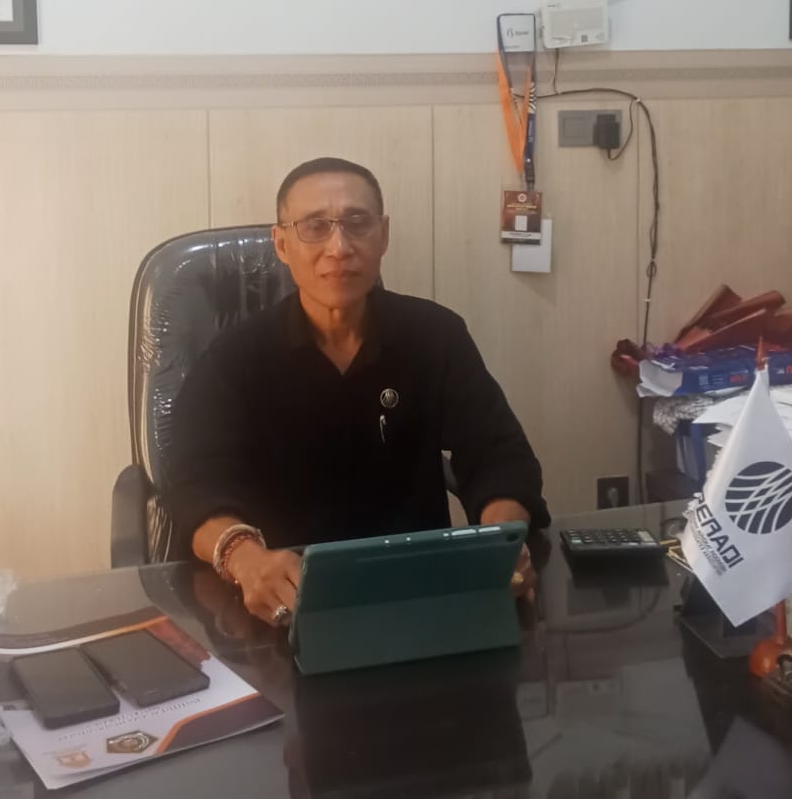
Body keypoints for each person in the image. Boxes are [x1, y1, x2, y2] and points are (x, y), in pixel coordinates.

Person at [164, 158, 549, 628]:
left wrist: (499, 541)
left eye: (357, 223)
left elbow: (500, 454)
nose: (339, 247)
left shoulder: (435, 335)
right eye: (315, 227)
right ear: (282, 244)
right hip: (281, 602)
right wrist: (246, 560)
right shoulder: (234, 357)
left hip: (420, 593)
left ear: (383, 236)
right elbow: (194, 485)